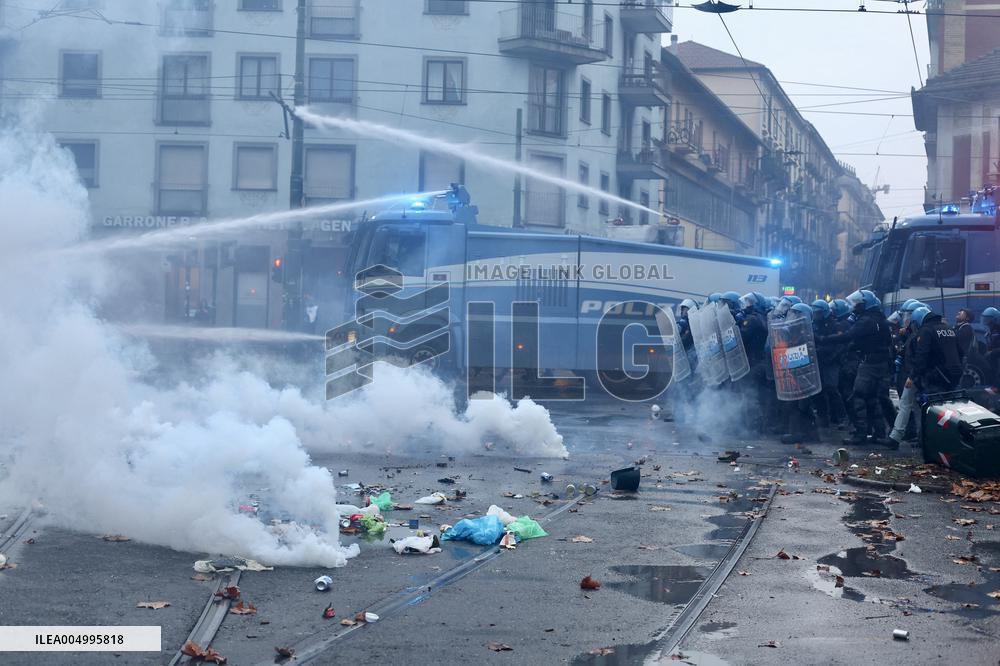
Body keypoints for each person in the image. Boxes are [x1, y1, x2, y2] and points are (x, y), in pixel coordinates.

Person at [819, 289, 895, 448]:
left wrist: (822, 339)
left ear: (865, 304)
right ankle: (879, 432)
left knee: (858, 397)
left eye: (857, 303)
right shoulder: (879, 318)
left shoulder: (866, 320)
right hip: (881, 363)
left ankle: (861, 433)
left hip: (869, 364)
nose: (854, 306)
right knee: (873, 398)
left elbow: (848, 335)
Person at [779, 303, 820, 443]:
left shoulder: (807, 333)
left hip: (805, 375)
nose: (792, 317)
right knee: (795, 404)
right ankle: (805, 433)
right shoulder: (792, 332)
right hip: (795, 373)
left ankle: (802, 433)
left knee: (802, 405)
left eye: (795, 314)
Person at [909, 305, 963, 394]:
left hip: (937, 377)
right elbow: (961, 352)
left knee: (931, 400)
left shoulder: (926, 330)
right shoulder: (949, 328)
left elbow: (921, 355)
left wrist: (913, 376)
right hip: (955, 374)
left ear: (918, 320)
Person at [811, 299, 845, 426]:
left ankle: (841, 418)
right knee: (818, 390)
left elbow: (839, 345)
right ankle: (823, 417)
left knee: (832, 389)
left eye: (818, 313)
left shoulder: (835, 325)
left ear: (824, 312)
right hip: (818, 361)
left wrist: (824, 351)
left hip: (831, 361)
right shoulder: (813, 325)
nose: (816, 315)